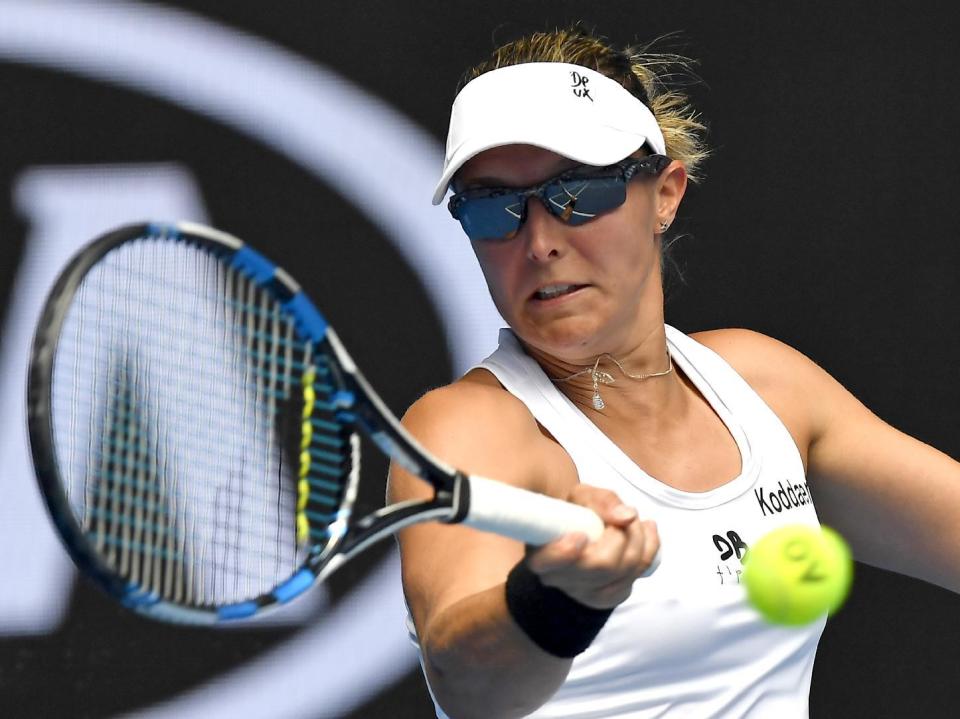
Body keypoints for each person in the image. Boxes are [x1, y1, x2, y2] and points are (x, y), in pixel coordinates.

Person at [388, 27, 960, 718]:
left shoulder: (766, 385)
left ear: (664, 193)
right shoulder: (467, 429)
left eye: (580, 192)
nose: (539, 242)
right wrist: (553, 598)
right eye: (491, 207)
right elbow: (466, 682)